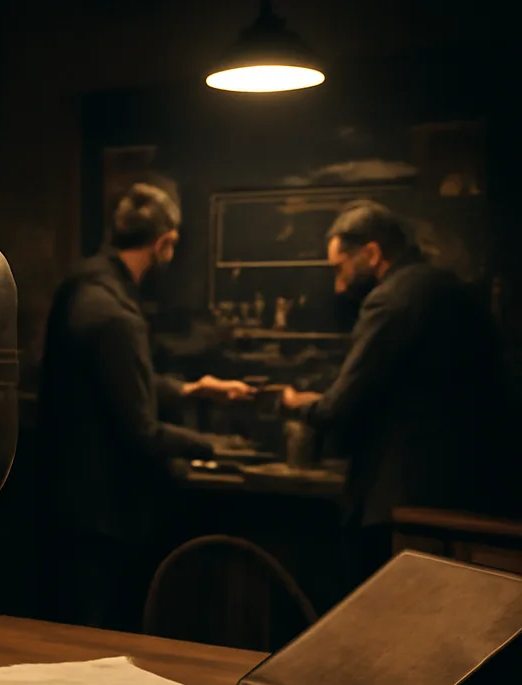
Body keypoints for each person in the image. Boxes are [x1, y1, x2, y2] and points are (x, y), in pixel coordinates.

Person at [37, 182, 255, 630]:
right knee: (93, 638)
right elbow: (140, 430)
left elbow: (115, 381)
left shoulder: (81, 286)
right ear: (165, 242)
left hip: (65, 497)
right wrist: (213, 446)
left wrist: (192, 389)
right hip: (101, 511)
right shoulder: (116, 314)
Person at [282, 199, 513, 587]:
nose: (338, 286)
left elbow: (340, 406)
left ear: (371, 253)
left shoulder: (392, 299)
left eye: (340, 269)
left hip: (400, 500)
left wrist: (295, 403)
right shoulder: (447, 288)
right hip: (466, 495)